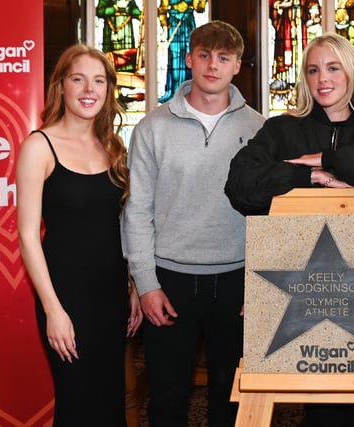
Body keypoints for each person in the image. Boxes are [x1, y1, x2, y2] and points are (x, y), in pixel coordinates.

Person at [225, 32, 354, 426]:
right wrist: (313, 176)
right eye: (313, 70)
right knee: (299, 385)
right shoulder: (282, 130)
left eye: (332, 68)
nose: (322, 78)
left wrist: (333, 158)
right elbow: (240, 186)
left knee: (348, 389)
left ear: (351, 72)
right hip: (294, 280)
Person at [120, 20, 265, 427]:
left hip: (237, 277)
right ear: (189, 59)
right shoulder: (152, 128)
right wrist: (146, 284)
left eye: (223, 58)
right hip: (171, 278)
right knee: (167, 395)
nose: (212, 66)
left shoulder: (261, 130)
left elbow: (271, 213)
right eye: (204, 55)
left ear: (237, 66)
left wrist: (260, 284)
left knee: (232, 393)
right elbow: (137, 211)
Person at [16, 44, 142, 427]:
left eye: (99, 80)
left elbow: (124, 225)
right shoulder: (39, 146)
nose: (89, 89)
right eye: (78, 79)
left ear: (108, 90)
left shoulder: (113, 148)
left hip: (111, 295)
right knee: (77, 403)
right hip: (66, 296)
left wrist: (134, 285)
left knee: (109, 402)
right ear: (61, 87)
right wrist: (53, 309)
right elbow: (26, 235)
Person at [158, 0, 207, 103]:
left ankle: (191, 92)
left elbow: (199, 9)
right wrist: (165, 26)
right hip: (174, 24)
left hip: (188, 24)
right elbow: (162, 10)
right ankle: (175, 91)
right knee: (175, 56)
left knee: (191, 55)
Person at [96, 0, 143, 72]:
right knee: (109, 61)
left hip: (127, 33)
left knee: (127, 59)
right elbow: (100, 11)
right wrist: (115, 7)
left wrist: (130, 9)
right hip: (110, 32)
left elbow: (136, 11)